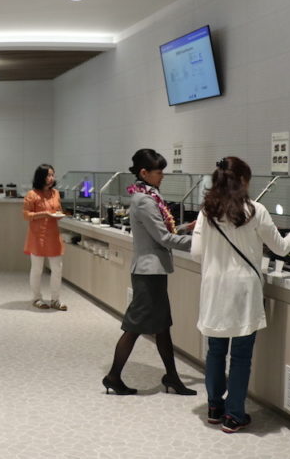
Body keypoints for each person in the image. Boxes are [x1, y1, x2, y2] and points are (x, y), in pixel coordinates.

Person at [189, 156, 290, 433]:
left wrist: (217, 263)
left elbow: (197, 253)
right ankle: (234, 415)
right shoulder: (256, 211)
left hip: (214, 289)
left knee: (216, 350)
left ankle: (214, 407)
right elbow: (280, 248)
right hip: (243, 291)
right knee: (241, 355)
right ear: (243, 181)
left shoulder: (206, 211)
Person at [103, 148, 196, 396]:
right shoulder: (144, 200)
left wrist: (188, 228)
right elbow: (164, 238)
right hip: (148, 273)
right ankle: (113, 376)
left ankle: (172, 377)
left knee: (163, 326)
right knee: (134, 327)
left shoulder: (149, 195)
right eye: (159, 171)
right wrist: (201, 243)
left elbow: (165, 230)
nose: (162, 175)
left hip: (153, 271)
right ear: (144, 173)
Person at [23, 163, 67, 311]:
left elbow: (58, 210)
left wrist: (58, 214)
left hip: (53, 236)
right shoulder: (32, 194)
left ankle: (55, 299)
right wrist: (44, 214)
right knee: (37, 269)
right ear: (41, 177)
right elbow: (26, 215)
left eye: (52, 175)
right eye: (48, 175)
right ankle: (36, 298)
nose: (51, 178)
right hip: (37, 236)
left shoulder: (56, 193)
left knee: (57, 268)